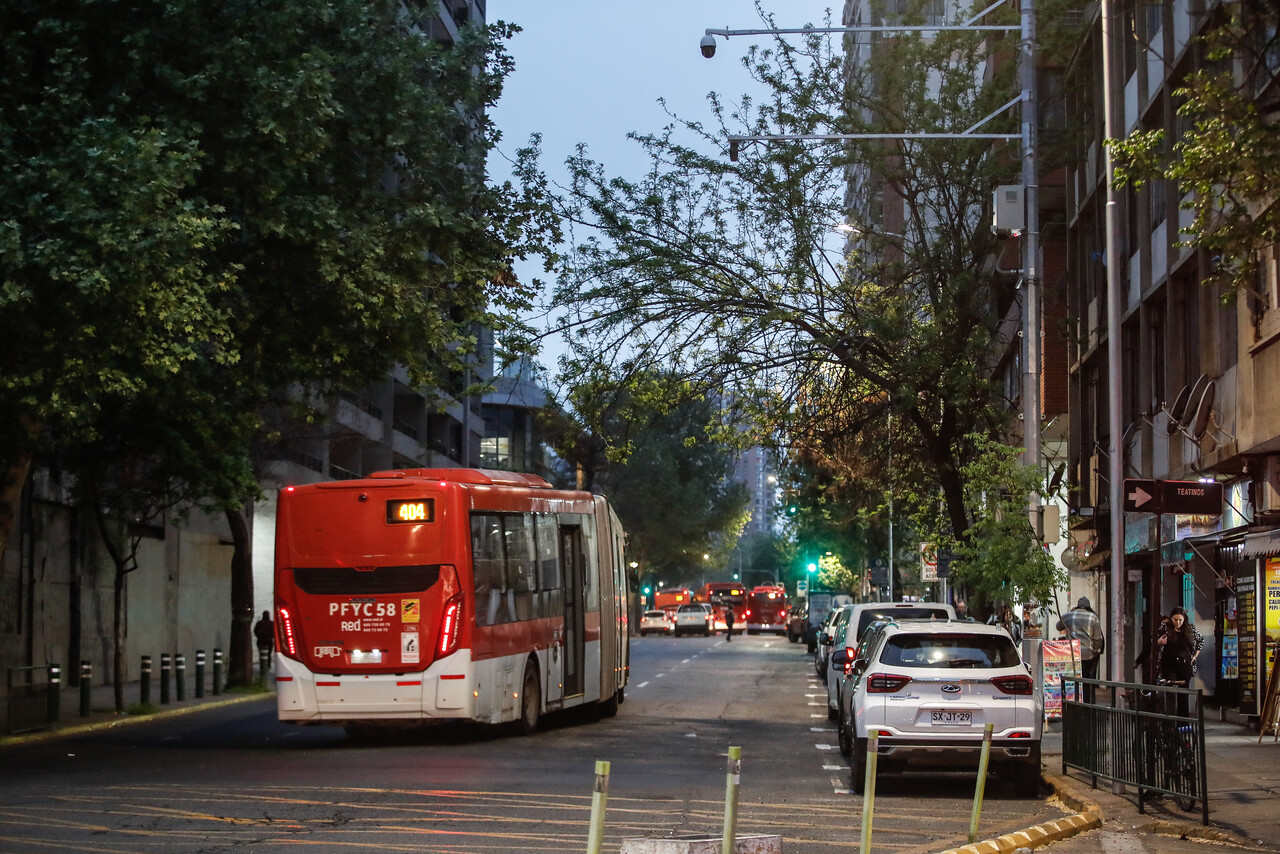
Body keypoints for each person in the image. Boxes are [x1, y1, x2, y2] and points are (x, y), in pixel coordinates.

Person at [1157, 606, 1203, 716]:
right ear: (1171, 619)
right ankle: (1170, 723)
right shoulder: (1165, 627)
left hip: (1184, 664)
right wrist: (1159, 642)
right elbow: (1154, 639)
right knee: (1171, 693)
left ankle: (1183, 724)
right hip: (1169, 664)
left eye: (1180, 620)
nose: (1178, 623)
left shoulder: (1189, 629)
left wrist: (1195, 656)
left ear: (1184, 619)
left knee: (1183, 695)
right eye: (1175, 620)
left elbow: (1200, 640)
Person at [1057, 597, 1105, 700]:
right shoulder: (1093, 617)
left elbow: (1058, 626)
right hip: (1088, 655)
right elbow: (1098, 638)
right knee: (1087, 681)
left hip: (1071, 655)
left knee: (1072, 680)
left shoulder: (1068, 616)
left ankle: (1072, 702)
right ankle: (1086, 704)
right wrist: (1096, 651)